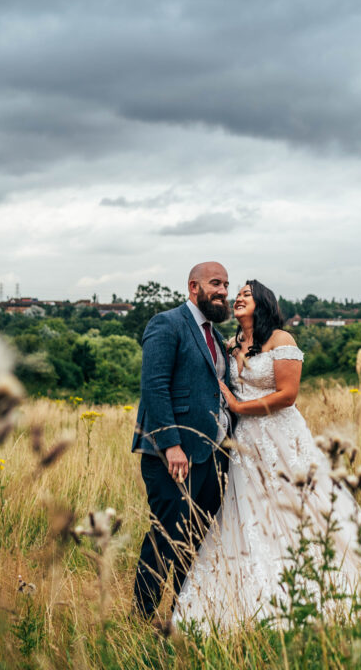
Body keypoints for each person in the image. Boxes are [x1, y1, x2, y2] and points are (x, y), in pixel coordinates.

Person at [171, 279, 361, 630]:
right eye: (238, 295)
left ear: (262, 302)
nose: (238, 298)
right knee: (250, 509)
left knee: (309, 505)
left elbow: (288, 395)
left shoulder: (282, 340)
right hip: (246, 443)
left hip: (282, 437)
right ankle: (254, 591)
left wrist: (237, 404)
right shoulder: (231, 345)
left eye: (246, 294)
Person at [131, 261, 233, 620]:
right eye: (215, 283)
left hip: (211, 457)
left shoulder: (216, 336)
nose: (222, 291)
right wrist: (171, 444)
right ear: (194, 287)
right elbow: (154, 386)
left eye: (226, 285)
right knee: (165, 537)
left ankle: (181, 615)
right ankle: (141, 616)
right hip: (171, 456)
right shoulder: (167, 323)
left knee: (195, 542)